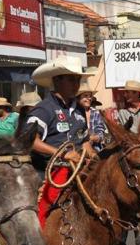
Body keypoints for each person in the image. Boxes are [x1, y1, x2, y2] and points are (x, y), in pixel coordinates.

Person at [23, 55, 94, 224]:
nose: (76, 84)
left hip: (78, 169)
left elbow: (84, 142)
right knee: (41, 216)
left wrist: (96, 157)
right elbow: (31, 140)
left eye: (77, 80)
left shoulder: (79, 110)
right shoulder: (44, 109)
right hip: (50, 172)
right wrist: (62, 154)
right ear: (57, 80)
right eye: (71, 80)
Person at [76, 80, 105, 151]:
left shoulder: (95, 113)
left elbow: (101, 132)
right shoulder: (74, 113)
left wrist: (93, 138)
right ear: (78, 98)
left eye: (90, 96)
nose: (89, 98)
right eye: (85, 96)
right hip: (79, 150)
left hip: (96, 149)